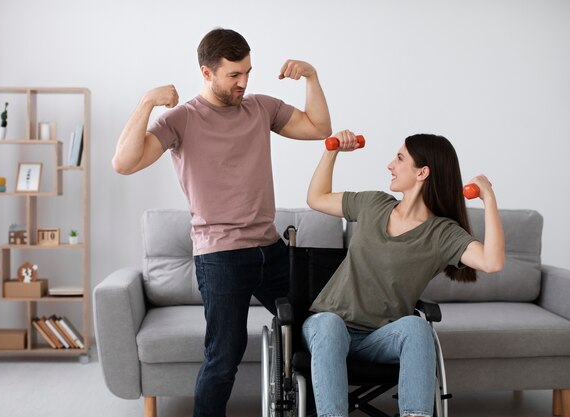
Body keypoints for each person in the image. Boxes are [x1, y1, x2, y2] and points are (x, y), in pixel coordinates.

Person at [112, 28, 331, 417]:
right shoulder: (181, 120)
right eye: (234, 75)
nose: (243, 82)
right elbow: (124, 163)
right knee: (223, 358)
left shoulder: (261, 107)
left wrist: (311, 77)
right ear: (207, 72)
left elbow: (318, 128)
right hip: (220, 256)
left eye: (247, 72)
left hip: (270, 249)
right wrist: (147, 101)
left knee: (316, 329)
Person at [304, 130, 505, 417]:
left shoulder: (442, 233)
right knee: (330, 325)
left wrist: (489, 198)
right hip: (327, 328)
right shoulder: (374, 204)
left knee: (417, 327)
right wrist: (331, 151)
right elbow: (316, 198)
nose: (390, 165)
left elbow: (491, 262)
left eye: (399, 158)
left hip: (379, 339)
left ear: (422, 172)